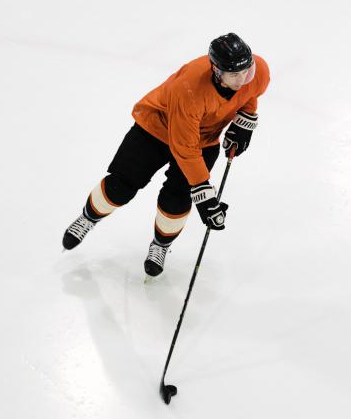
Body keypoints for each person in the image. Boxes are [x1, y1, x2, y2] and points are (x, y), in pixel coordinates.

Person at [62, 32, 270, 277]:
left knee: (178, 198)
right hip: (156, 128)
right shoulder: (190, 89)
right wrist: (205, 195)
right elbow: (185, 147)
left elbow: (249, 94)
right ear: (216, 70)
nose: (243, 78)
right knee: (122, 185)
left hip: (203, 138)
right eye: (234, 74)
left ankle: (160, 246)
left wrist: (245, 120)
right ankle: (89, 217)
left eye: (247, 71)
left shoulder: (258, 71)